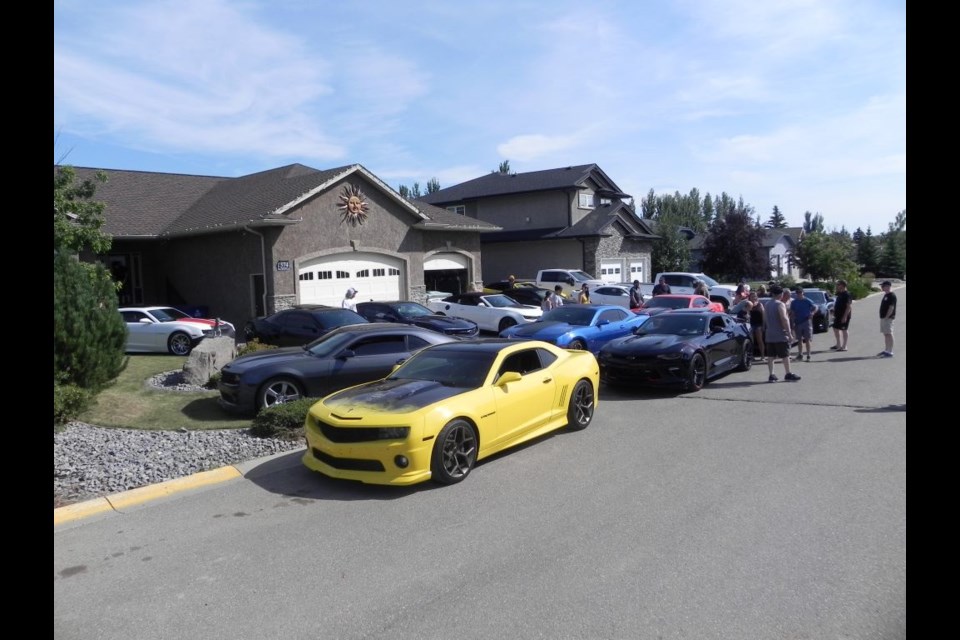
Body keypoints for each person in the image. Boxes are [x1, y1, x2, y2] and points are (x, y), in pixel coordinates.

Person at [764, 284, 800, 382]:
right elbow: (784, 319)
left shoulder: (767, 304)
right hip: (780, 333)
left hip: (769, 333)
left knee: (771, 356)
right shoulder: (780, 304)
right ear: (780, 294)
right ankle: (788, 373)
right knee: (785, 355)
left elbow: (765, 319)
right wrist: (789, 333)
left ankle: (771, 375)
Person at [789, 287, 817, 362]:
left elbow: (815, 307)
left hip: (806, 321)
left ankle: (808, 355)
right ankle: (800, 354)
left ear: (803, 293)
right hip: (798, 322)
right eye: (797, 293)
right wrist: (792, 321)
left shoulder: (807, 301)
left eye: (800, 293)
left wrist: (812, 313)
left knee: (807, 339)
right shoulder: (794, 302)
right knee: (799, 340)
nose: (799, 294)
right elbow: (792, 312)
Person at [830, 279, 852, 351]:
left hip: (844, 315)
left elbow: (849, 306)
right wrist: (834, 310)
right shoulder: (840, 294)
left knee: (844, 329)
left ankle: (844, 346)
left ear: (842, 285)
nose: (837, 286)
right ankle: (838, 344)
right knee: (835, 328)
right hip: (838, 315)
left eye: (838, 285)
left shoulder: (847, 294)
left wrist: (845, 316)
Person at [878, 281, 897, 357]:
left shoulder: (892, 295)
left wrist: (887, 316)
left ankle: (890, 351)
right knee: (885, 334)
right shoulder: (886, 295)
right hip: (883, 318)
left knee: (889, 333)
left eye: (883, 286)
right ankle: (886, 350)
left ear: (888, 286)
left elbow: (891, 307)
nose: (882, 287)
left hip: (888, 318)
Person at [748, 291, 765, 360]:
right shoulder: (748, 304)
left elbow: (764, 315)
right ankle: (752, 356)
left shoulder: (760, 305)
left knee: (759, 340)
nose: (754, 297)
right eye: (752, 296)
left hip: (758, 325)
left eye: (755, 296)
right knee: (751, 341)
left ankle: (762, 356)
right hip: (751, 325)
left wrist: (763, 325)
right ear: (749, 297)